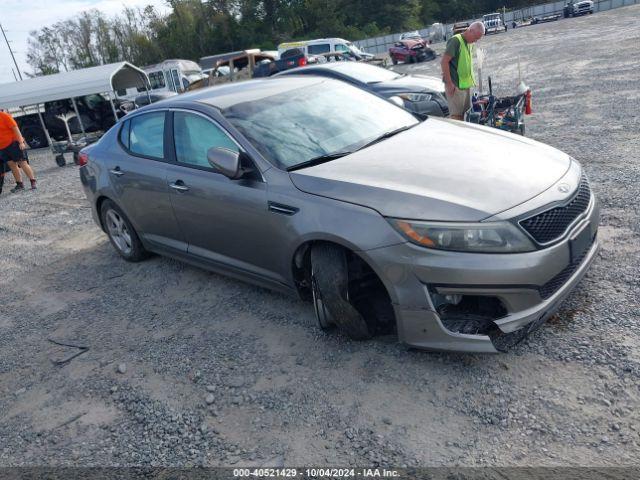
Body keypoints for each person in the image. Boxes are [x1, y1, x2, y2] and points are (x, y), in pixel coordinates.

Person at [440, 21, 485, 121]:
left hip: (464, 86)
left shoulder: (469, 43)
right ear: (470, 31)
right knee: (457, 117)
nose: (476, 41)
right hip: (455, 86)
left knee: (465, 113)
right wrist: (449, 84)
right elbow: (444, 62)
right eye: (476, 38)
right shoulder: (455, 41)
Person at [0, 108, 37, 194]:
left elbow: (15, 128)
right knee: (12, 165)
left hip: (13, 143)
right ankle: (20, 184)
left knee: (22, 163)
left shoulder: (4, 116)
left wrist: (21, 142)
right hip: (2, 147)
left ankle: (33, 181)